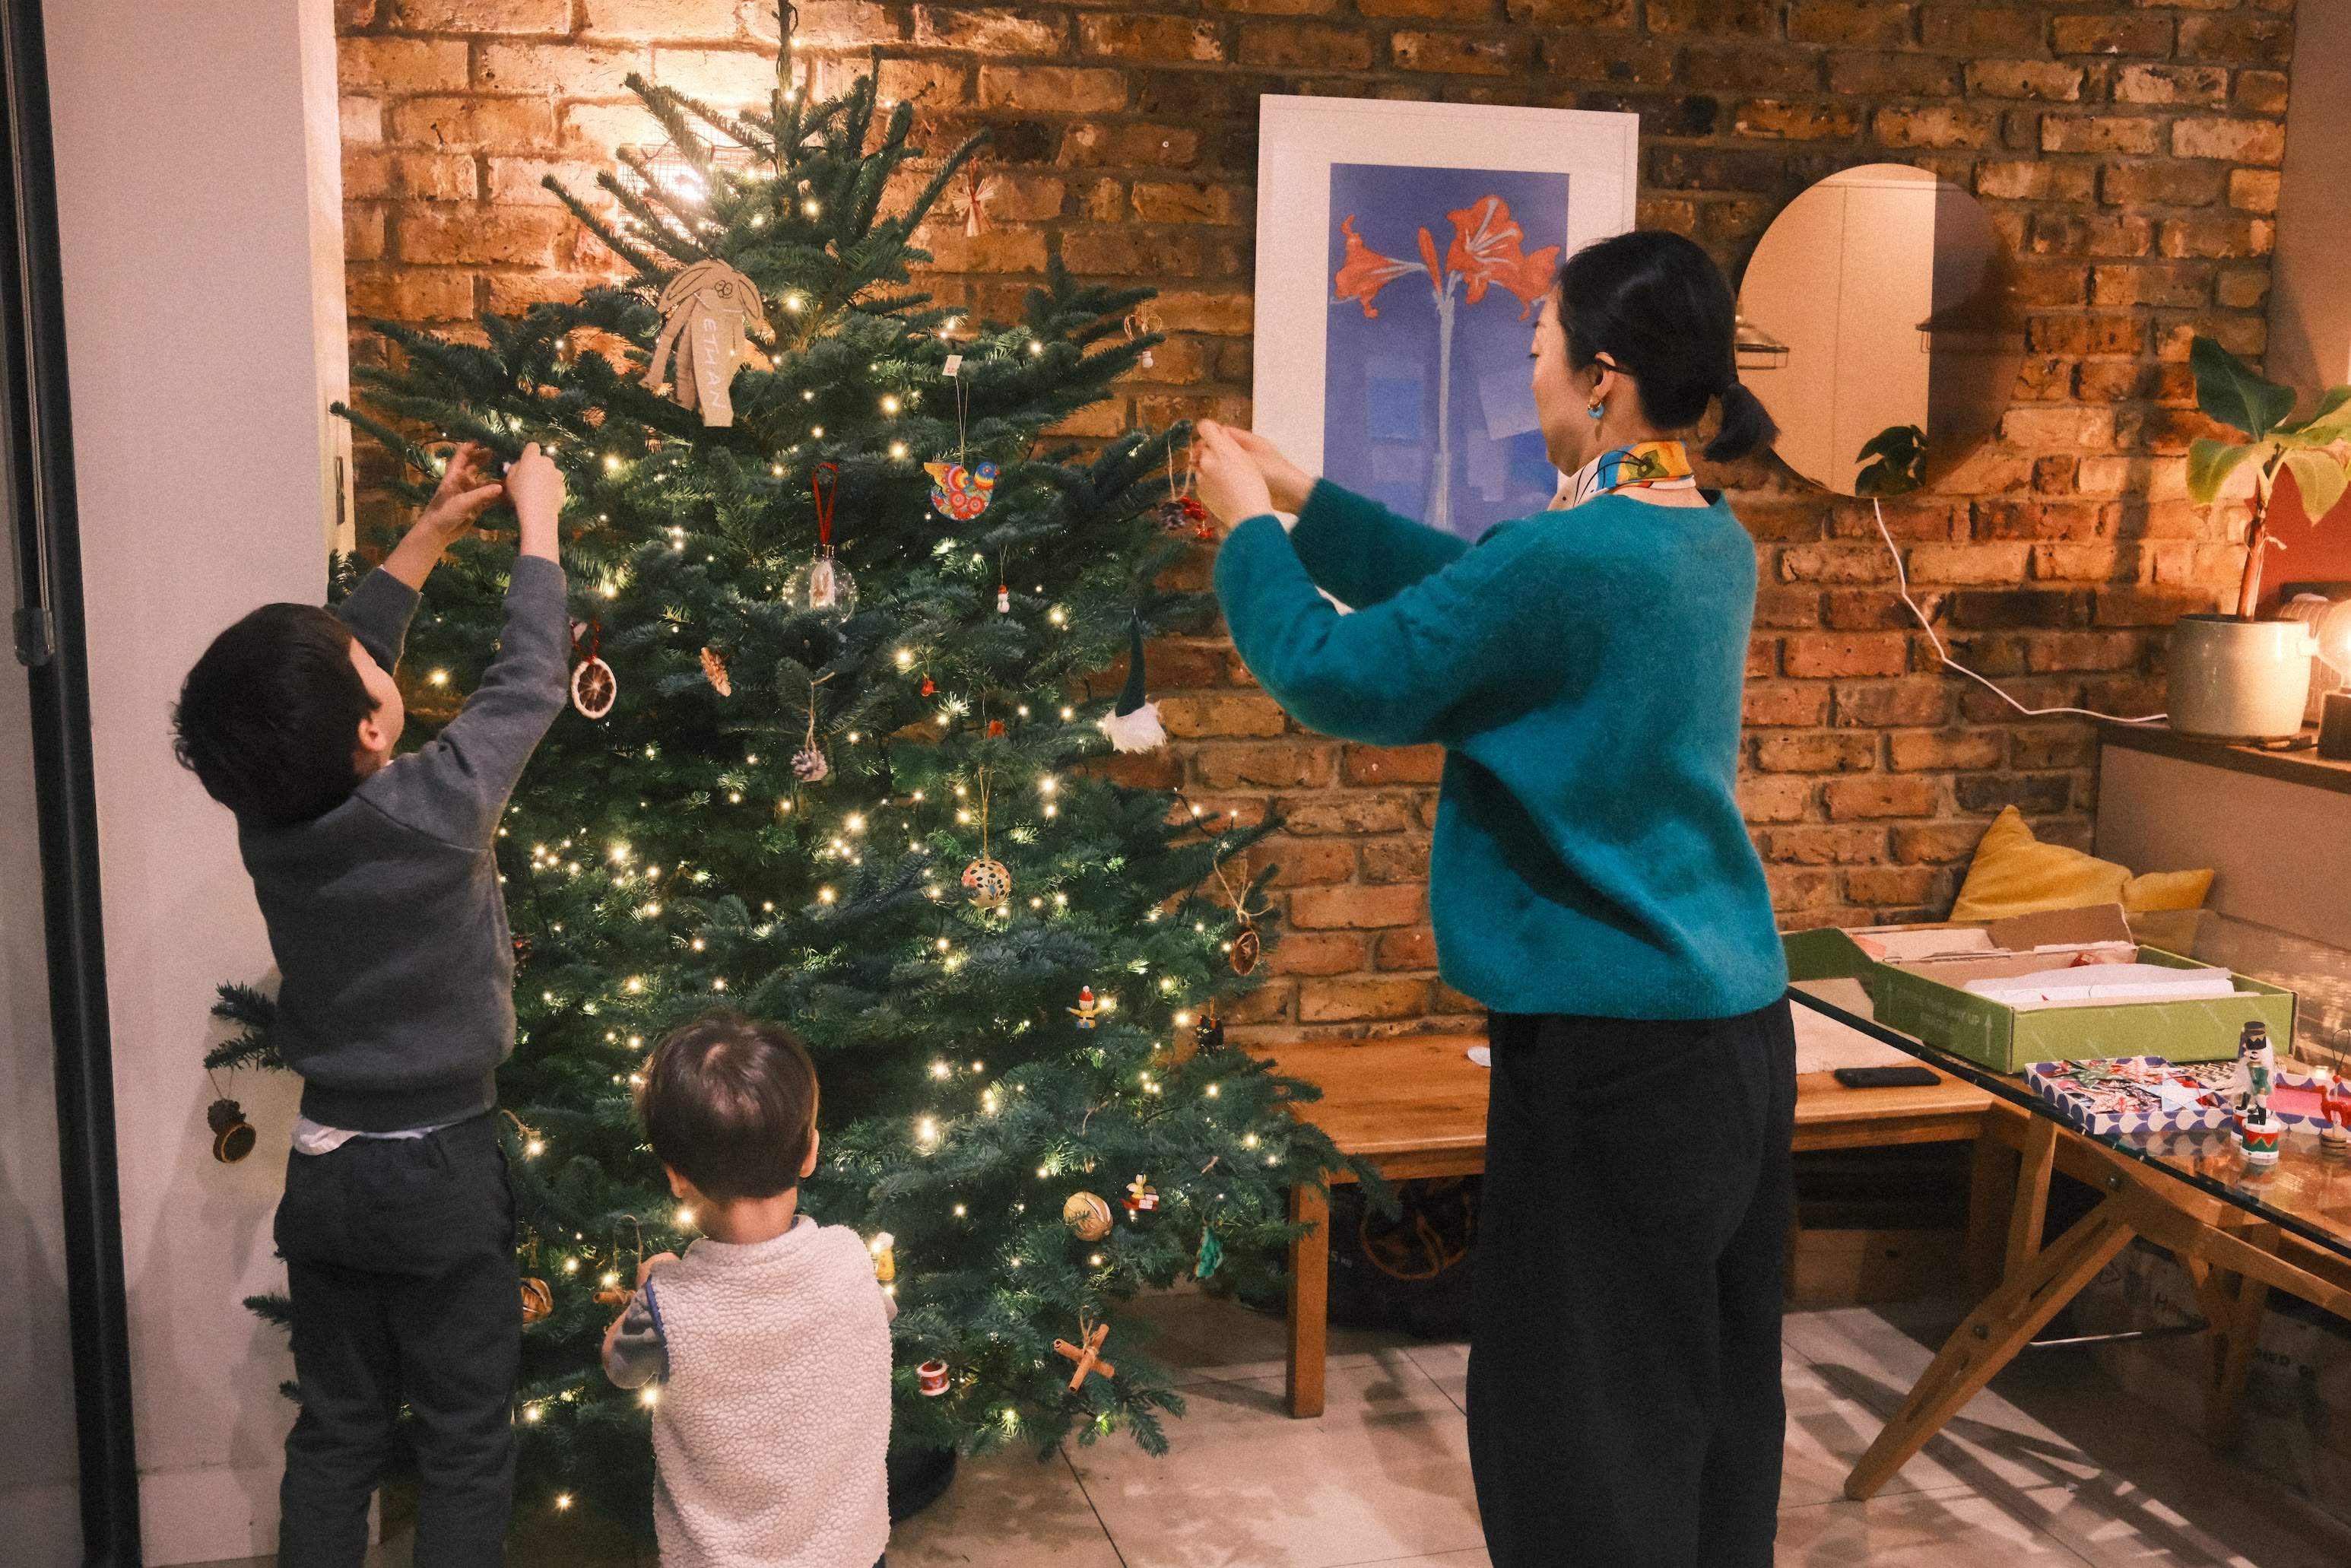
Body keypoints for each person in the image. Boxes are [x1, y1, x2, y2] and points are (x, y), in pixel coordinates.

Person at [1193, 229, 1794, 1568]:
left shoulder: (1570, 561)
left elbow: (1342, 671)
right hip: (1733, 1036)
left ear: (1604, 379)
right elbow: (1487, 591)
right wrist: (1309, 496)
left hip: (1612, 1053)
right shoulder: (1698, 536)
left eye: (1535, 349)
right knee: (1700, 1408)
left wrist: (1247, 528)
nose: (1525, 375)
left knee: (1578, 1429)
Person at [172, 441, 569, 1566]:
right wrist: (536, 526)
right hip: (441, 1168)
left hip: (328, 1165)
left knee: (339, 1428)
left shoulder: (267, 814)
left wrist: (431, 530)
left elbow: (327, 685)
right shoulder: (437, 811)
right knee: (460, 1437)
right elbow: (529, 679)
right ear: (373, 728)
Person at [602, 1012, 894, 1568]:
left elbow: (620, 1367)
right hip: (847, 1551)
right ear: (810, 1151)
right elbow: (877, 1315)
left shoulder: (667, 1306)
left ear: (676, 1177)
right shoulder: (850, 1259)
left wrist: (649, 1288)